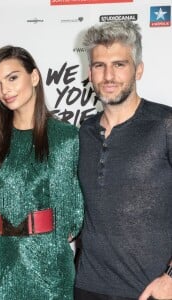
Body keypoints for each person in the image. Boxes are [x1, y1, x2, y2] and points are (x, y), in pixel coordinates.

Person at [74, 20, 172, 300]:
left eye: (119, 64)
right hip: (87, 287)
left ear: (138, 69)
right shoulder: (84, 131)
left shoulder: (164, 124)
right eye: (99, 65)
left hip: (149, 290)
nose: (108, 75)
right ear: (89, 72)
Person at [0, 45, 84, 299]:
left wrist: (51, 257)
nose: (5, 90)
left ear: (34, 77)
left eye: (12, 78)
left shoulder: (64, 136)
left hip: (48, 269)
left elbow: (71, 215)